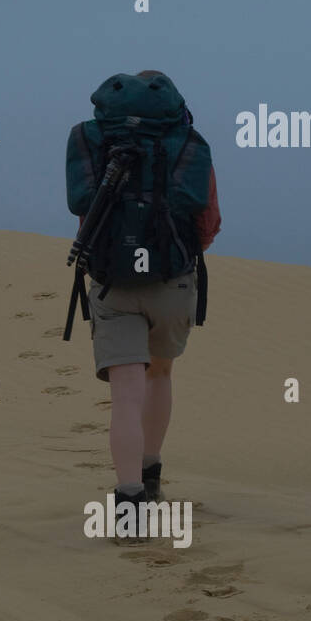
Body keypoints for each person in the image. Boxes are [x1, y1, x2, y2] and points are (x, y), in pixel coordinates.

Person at [66, 70, 221, 536]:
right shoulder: (186, 144)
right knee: (161, 374)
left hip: (112, 280)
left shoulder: (94, 141)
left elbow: (82, 208)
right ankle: (152, 477)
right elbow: (208, 220)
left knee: (124, 397)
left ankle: (129, 504)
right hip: (171, 280)